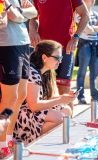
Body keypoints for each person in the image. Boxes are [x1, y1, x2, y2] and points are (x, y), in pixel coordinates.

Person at [13, 40, 76, 145]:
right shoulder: (32, 73)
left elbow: (44, 99)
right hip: (21, 116)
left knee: (66, 110)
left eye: (61, 58)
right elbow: (34, 105)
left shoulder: (46, 72)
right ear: (44, 58)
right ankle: (33, 143)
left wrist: (63, 98)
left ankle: (44, 140)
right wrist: (60, 99)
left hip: (30, 111)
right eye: (58, 58)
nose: (60, 61)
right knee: (60, 118)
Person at [29, 0, 89, 107]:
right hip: (43, 49)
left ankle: (68, 122)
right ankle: (47, 121)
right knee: (42, 89)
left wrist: (76, 37)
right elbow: (33, 17)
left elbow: (85, 15)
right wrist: (32, 30)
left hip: (65, 48)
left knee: (64, 90)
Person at [0, 0, 37, 158]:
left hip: (24, 44)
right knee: (10, 98)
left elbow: (34, 12)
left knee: (21, 95)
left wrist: (19, 13)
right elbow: (12, 16)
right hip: (7, 45)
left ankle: (8, 139)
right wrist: (21, 13)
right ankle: (1, 144)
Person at [75, 0, 98, 104]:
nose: (89, 1)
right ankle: (80, 96)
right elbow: (87, 30)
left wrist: (94, 28)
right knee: (82, 72)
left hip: (95, 45)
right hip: (84, 44)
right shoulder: (79, 14)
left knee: (95, 72)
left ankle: (95, 95)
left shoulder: (95, 14)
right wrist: (96, 29)